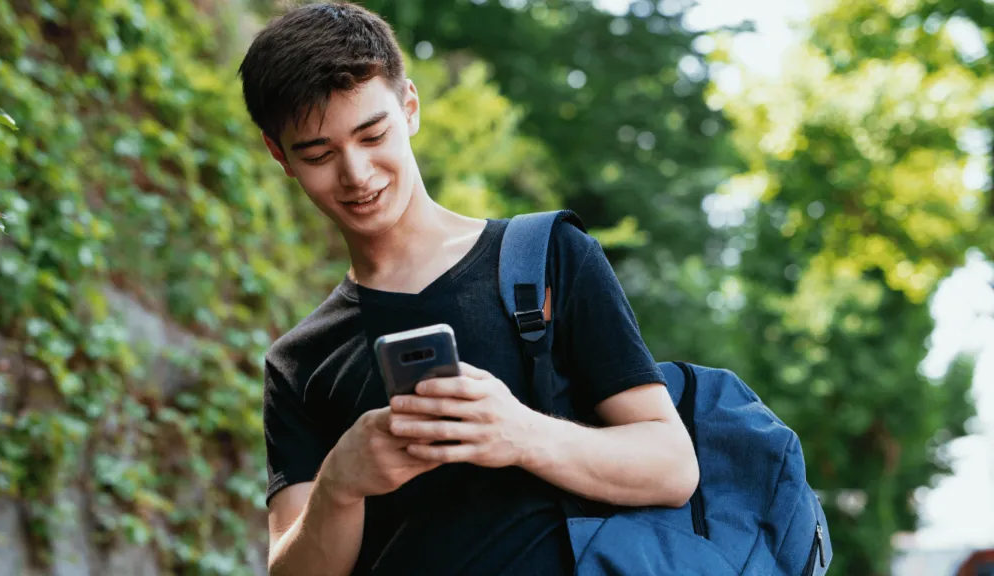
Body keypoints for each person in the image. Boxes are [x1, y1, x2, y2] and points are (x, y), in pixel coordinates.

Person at [238, 3, 699, 575]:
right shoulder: (299, 361)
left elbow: (672, 466)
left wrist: (519, 431)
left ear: (409, 107)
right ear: (279, 155)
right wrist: (339, 487)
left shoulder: (547, 258)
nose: (356, 173)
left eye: (371, 133)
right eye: (318, 154)